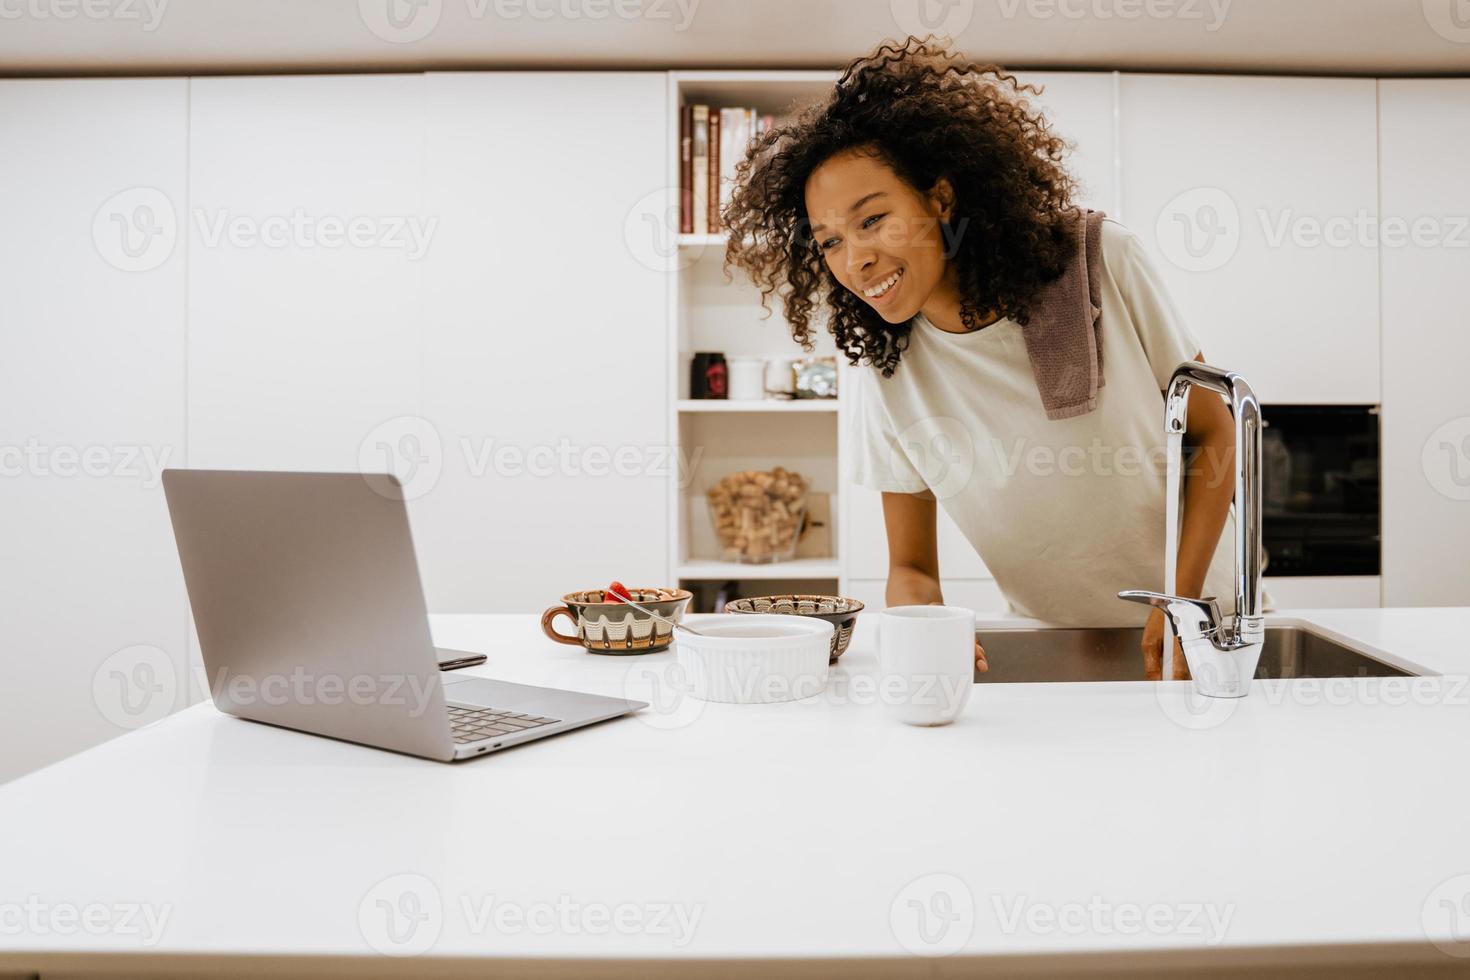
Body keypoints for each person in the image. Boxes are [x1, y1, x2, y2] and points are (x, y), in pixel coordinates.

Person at [722, 36, 1249, 680]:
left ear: (940, 200)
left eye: (874, 219)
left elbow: (1215, 431)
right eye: (829, 240)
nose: (854, 258)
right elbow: (911, 570)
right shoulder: (885, 360)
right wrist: (926, 631)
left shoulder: (1100, 262)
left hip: (1200, 631)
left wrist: (1181, 599)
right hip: (1052, 641)